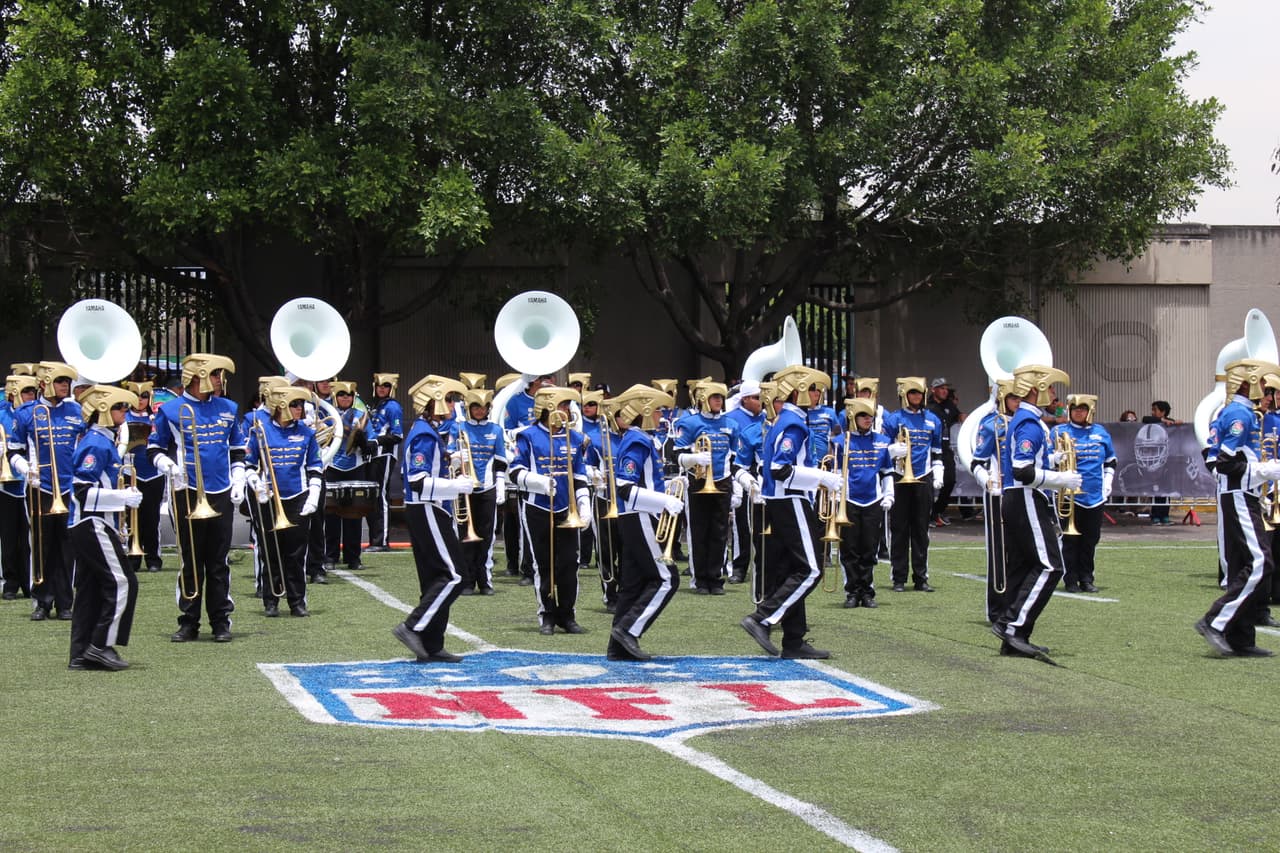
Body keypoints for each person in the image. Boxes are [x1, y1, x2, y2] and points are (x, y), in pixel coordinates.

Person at [740, 365, 841, 660]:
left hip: (781, 501)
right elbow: (780, 469)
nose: (817, 394)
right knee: (811, 569)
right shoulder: (794, 423)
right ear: (797, 392)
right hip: (790, 500)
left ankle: (794, 639)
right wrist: (822, 478)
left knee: (791, 570)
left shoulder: (783, 420)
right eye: (812, 388)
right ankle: (762, 618)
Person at [148, 353, 245, 643]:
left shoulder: (228, 408)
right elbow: (154, 449)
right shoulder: (170, 410)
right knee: (190, 559)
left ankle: (220, 621)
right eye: (215, 374)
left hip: (220, 493)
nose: (219, 380)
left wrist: (238, 477)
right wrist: (169, 467)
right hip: (185, 492)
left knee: (218, 561)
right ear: (197, 376)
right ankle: (188, 621)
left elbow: (238, 448)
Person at [992, 364, 1078, 663]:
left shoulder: (1029, 421)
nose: (1054, 394)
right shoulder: (1029, 423)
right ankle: (1013, 627)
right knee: (1050, 566)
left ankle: (1014, 633)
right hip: (1025, 496)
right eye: (1051, 388)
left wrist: (1051, 459)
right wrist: (1059, 479)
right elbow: (1022, 470)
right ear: (1035, 389)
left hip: (1019, 497)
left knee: (1022, 566)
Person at [1195, 359, 1280, 657]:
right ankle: (1215, 621)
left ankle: (1240, 638)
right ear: (1249, 383)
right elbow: (1226, 463)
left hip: (1241, 494)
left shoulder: (1239, 412)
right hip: (1239, 494)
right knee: (1260, 562)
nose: (1269, 395)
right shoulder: (1240, 413)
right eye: (1266, 388)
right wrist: (1265, 471)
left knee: (1241, 564)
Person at [391, 375, 473, 663]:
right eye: (449, 399)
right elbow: (417, 482)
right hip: (426, 508)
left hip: (431, 509)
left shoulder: (429, 431)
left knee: (436, 578)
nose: (452, 405)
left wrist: (448, 461)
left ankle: (432, 644)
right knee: (455, 575)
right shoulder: (425, 434)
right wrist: (456, 487)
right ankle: (413, 626)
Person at [603, 384, 683, 660]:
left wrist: (671, 485)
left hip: (636, 515)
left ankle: (617, 647)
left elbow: (646, 481)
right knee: (666, 579)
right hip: (640, 515)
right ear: (645, 411)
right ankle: (628, 630)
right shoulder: (638, 440)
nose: (661, 415)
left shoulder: (638, 439)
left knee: (633, 583)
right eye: (658, 409)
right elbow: (625, 486)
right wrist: (664, 502)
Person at [67, 385, 143, 670]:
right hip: (92, 523)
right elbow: (81, 491)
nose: (125, 412)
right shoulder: (96, 444)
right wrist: (122, 497)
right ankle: (100, 645)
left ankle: (80, 653)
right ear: (103, 411)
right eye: (120, 407)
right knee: (123, 582)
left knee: (90, 590)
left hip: (93, 523)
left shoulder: (102, 441)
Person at [509, 386, 592, 635]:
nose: (568, 410)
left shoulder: (576, 439)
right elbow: (514, 472)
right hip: (538, 506)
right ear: (548, 407)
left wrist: (585, 504)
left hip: (568, 509)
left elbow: (579, 475)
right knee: (543, 564)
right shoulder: (528, 436)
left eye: (569, 405)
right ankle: (546, 614)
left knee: (569, 563)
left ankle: (567, 615)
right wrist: (540, 483)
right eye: (564, 405)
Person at [7, 361, 84, 621]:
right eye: (61, 381)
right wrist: (26, 469)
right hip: (40, 487)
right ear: (45, 383)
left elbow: (83, 445)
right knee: (41, 544)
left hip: (68, 487)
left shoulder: (76, 410)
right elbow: (14, 451)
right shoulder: (27, 413)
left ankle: (65, 602)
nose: (65, 386)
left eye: (68, 382)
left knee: (67, 545)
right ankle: (42, 600)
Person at [245, 385, 323, 617]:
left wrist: (314, 494)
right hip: (269, 498)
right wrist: (255, 484)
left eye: (300, 405)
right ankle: (271, 600)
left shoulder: (307, 433)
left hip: (298, 497)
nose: (300, 409)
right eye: (295, 404)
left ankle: (297, 601)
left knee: (296, 553)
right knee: (271, 552)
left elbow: (315, 466)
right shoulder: (260, 430)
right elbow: (249, 463)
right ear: (281, 406)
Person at [668, 381, 743, 595]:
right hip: (698, 482)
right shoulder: (690, 423)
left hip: (723, 480)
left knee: (720, 532)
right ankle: (700, 579)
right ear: (704, 400)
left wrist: (736, 483)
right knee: (699, 530)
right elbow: (676, 453)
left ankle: (715, 578)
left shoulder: (731, 424)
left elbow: (735, 456)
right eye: (714, 397)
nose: (718, 401)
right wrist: (694, 459)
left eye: (721, 397)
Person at [836, 398, 900, 609]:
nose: (868, 419)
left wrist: (889, 495)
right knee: (849, 549)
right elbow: (835, 471)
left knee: (869, 549)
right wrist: (836, 495)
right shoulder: (840, 441)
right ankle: (852, 592)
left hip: (873, 500)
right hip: (849, 500)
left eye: (870, 416)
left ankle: (867, 591)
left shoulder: (882, 441)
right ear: (853, 418)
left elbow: (886, 472)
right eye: (863, 416)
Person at [882, 377, 943, 592]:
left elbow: (937, 452)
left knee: (921, 529)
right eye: (912, 393)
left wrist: (938, 473)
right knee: (899, 529)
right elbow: (882, 449)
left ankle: (921, 577)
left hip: (923, 476)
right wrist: (892, 450)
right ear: (905, 395)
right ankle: (898, 578)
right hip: (900, 477)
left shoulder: (933, 420)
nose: (916, 397)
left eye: (919, 393)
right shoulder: (893, 419)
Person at [1051, 395, 1116, 593]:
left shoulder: (1100, 432)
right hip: (1069, 496)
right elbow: (1044, 459)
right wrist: (1055, 458)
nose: (1079, 412)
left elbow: (1111, 460)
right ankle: (1070, 579)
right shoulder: (1059, 431)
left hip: (1095, 496)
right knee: (1070, 540)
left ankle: (1087, 578)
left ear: (1090, 411)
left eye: (1083, 408)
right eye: (1075, 408)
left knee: (1090, 540)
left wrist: (1108, 481)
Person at [969, 379, 1021, 622]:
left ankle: (1016, 606)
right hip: (999, 493)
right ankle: (997, 608)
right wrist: (986, 479)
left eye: (1019, 397)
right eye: (1012, 397)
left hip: (1022, 492)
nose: (1017, 402)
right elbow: (977, 460)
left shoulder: (1029, 424)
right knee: (999, 552)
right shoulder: (992, 424)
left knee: (1022, 552)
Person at [449, 388, 506, 595]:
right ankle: (466, 580)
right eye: (476, 407)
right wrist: (457, 456)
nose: (480, 411)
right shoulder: (459, 428)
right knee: (464, 534)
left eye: (483, 407)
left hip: (487, 487)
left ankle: (485, 580)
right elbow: (449, 454)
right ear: (469, 408)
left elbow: (500, 461)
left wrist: (500, 484)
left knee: (486, 535)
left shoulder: (496, 430)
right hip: (465, 488)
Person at [324, 381, 374, 572]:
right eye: (342, 394)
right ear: (335, 396)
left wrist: (364, 443)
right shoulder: (327, 416)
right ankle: (330, 556)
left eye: (349, 394)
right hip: (332, 466)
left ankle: (353, 557)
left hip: (355, 467)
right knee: (331, 514)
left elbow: (373, 441)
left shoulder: (362, 416)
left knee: (354, 514)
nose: (346, 397)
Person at [121, 381, 164, 573]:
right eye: (137, 396)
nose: (140, 400)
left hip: (153, 473)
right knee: (131, 518)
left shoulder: (157, 418)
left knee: (152, 517)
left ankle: (153, 558)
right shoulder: (123, 418)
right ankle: (134, 557)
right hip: (131, 472)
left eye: (144, 396)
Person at [726, 380, 766, 584]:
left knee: (761, 524)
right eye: (757, 398)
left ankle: (762, 564)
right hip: (740, 472)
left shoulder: (767, 418)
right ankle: (739, 566)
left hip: (761, 474)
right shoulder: (731, 418)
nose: (761, 402)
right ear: (746, 399)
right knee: (742, 522)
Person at [0, 373, 35, 600]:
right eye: (26, 392)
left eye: (33, 391)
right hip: (6, 485)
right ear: (14, 394)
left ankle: (29, 582)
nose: (30, 396)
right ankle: (10, 582)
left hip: (30, 483)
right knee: (9, 537)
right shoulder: (2, 414)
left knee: (29, 537)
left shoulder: (35, 414)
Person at [364, 373, 404, 552]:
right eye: (379, 385)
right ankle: (375, 539)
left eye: (386, 385)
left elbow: (397, 435)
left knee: (381, 496)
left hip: (385, 455)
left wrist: (377, 442)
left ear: (392, 388)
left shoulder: (393, 407)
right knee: (373, 496)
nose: (382, 388)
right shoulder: (373, 405)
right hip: (373, 455)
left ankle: (381, 540)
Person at [927, 377, 964, 526]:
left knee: (950, 480)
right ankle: (928, 514)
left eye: (945, 388)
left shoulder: (949, 405)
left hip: (946, 449)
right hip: (931, 449)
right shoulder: (928, 407)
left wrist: (966, 418)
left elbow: (958, 415)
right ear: (933, 390)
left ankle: (937, 511)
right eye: (941, 388)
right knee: (929, 483)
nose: (944, 390)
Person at [1141, 401, 1180, 524]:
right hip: (1153, 461)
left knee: (1166, 490)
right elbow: (1145, 419)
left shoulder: (1170, 421)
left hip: (1166, 461)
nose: (1152, 412)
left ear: (1163, 412)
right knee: (1156, 490)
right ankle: (1155, 515)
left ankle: (1165, 516)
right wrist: (1162, 421)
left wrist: (1176, 423)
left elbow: (1175, 424)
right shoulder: (1152, 421)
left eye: (1155, 410)